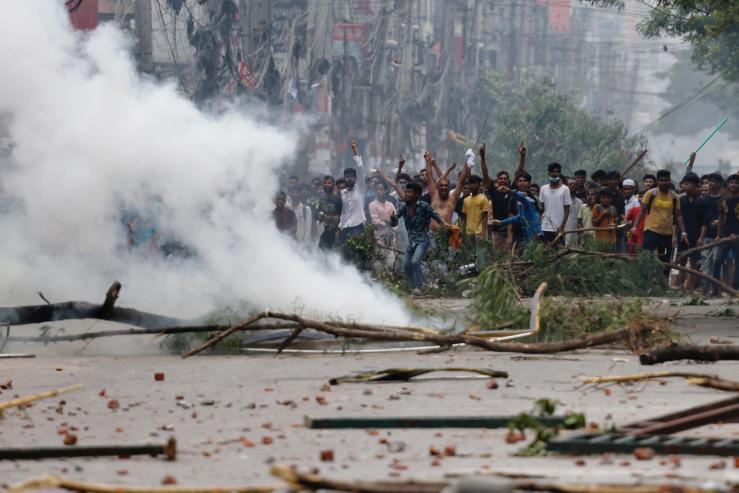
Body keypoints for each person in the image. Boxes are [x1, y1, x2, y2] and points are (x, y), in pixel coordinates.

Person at [389, 182, 452, 295]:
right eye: (406, 192)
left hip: (423, 240)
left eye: (409, 192)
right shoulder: (404, 207)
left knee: (415, 261)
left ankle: (419, 287)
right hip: (411, 241)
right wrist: (392, 218)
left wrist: (444, 223)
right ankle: (414, 288)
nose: (406, 194)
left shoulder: (423, 205)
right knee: (407, 265)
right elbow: (394, 223)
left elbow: (435, 215)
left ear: (417, 194)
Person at [633, 169, 688, 265]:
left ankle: (663, 280)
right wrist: (634, 227)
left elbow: (678, 215)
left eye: (666, 180)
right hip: (651, 231)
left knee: (665, 262)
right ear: (657, 181)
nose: (664, 183)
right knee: (647, 259)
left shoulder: (674, 197)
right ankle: (646, 279)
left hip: (667, 233)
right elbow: (642, 211)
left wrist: (683, 232)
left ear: (669, 181)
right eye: (661, 180)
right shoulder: (650, 193)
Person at [492, 171, 542, 248]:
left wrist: (509, 191)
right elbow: (519, 216)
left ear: (529, 183)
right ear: (517, 183)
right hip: (518, 233)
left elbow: (523, 199)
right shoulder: (514, 198)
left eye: (524, 181)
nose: (522, 183)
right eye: (520, 181)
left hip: (532, 234)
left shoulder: (531, 199)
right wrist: (501, 223)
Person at [479, 143, 514, 251]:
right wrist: (482, 157)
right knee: (498, 256)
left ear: (508, 180)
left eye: (505, 178)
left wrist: (522, 156)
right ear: (497, 180)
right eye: (501, 178)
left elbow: (519, 172)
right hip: (497, 229)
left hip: (512, 229)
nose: (503, 180)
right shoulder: (494, 191)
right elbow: (485, 174)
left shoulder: (513, 192)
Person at [675, 172, 704, 291]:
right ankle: (681, 286)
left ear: (695, 185)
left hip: (696, 235)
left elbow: (704, 222)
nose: (684, 186)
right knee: (681, 260)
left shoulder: (702, 202)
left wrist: (701, 238)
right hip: (683, 234)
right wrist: (682, 232)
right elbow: (678, 217)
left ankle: (691, 288)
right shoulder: (680, 199)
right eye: (684, 184)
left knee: (694, 262)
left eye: (687, 184)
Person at [698, 172, 725, 294]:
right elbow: (702, 219)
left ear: (719, 184)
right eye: (709, 182)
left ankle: (716, 289)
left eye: (713, 182)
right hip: (707, 234)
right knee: (705, 261)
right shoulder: (704, 200)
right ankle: (704, 288)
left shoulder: (725, 199)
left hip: (720, 236)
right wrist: (701, 237)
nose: (710, 184)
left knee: (716, 261)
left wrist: (719, 222)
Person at [338, 140, 367, 245]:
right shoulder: (342, 193)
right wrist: (340, 226)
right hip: (345, 226)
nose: (349, 179)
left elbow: (360, 168)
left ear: (355, 178)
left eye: (352, 177)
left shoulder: (360, 188)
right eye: (347, 177)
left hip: (357, 225)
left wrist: (355, 150)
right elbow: (343, 211)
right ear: (344, 178)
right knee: (343, 253)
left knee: (356, 252)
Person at [715, 174, 739, 289]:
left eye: (736, 183)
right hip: (724, 236)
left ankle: (735, 289)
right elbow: (720, 219)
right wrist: (718, 235)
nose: (734, 185)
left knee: (738, 263)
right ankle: (715, 289)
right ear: (728, 184)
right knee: (717, 261)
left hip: (738, 236)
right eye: (731, 182)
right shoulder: (723, 200)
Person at [539, 162, 571, 244]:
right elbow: (543, 208)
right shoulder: (543, 189)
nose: (554, 174)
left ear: (560, 173)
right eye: (552, 171)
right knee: (545, 251)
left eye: (556, 171)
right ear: (548, 173)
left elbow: (567, 209)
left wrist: (562, 226)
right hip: (545, 227)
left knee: (559, 250)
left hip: (558, 227)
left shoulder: (565, 189)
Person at [462, 175, 491, 243]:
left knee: (479, 253)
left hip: (479, 232)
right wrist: (463, 232)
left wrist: (483, 233)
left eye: (474, 183)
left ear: (479, 184)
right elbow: (464, 217)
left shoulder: (483, 199)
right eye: (470, 183)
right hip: (468, 232)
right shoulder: (466, 200)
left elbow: (485, 217)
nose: (471, 185)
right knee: (469, 253)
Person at [317, 175, 342, 250]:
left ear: (333, 184)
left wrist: (324, 216)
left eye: (329, 183)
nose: (327, 184)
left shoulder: (338, 199)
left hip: (337, 234)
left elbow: (338, 218)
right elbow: (318, 215)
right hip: (326, 232)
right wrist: (330, 217)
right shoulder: (323, 199)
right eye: (325, 183)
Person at [369, 180, 396, 247]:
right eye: (377, 189)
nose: (378, 191)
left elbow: (395, 220)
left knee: (391, 255)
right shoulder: (372, 205)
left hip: (390, 236)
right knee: (379, 255)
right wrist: (387, 223)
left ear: (386, 190)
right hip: (378, 237)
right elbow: (375, 221)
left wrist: (389, 223)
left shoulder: (390, 205)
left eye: (381, 189)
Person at [565, 178, 583, 247]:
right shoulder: (561, 201)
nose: (573, 186)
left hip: (575, 233)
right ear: (566, 186)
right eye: (570, 184)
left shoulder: (580, 202)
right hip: (564, 231)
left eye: (575, 184)